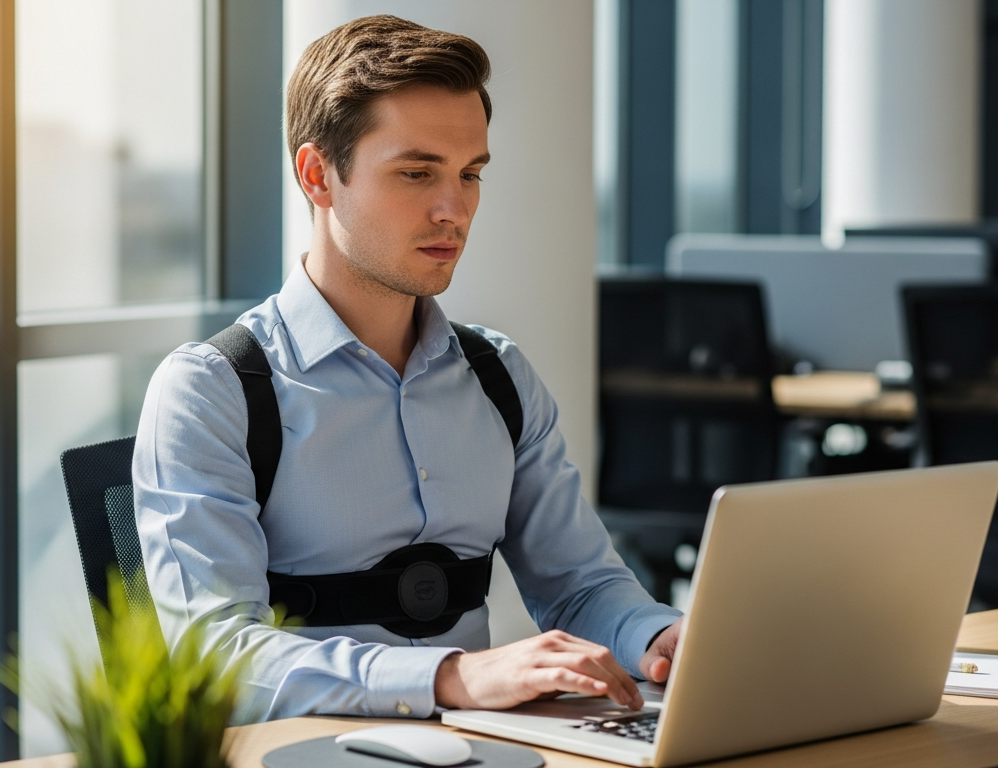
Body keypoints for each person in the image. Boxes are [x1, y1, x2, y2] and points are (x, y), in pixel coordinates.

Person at [133, 14, 683, 723]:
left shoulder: (498, 377)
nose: (453, 209)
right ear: (317, 175)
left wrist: (663, 635)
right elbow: (216, 656)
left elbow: (579, 588)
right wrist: (450, 677)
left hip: (484, 748)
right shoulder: (212, 392)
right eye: (417, 173)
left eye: (470, 174)